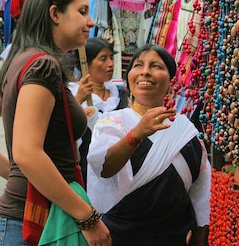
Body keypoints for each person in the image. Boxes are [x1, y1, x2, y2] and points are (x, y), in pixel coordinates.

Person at [0, 0, 111, 246]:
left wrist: (16, 174)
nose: (91, 22)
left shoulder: (20, 61)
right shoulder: (43, 66)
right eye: (82, 11)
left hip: (18, 219)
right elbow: (26, 152)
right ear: (55, 14)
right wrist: (87, 217)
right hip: (32, 222)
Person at [86, 44, 212, 245]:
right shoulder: (111, 122)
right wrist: (136, 134)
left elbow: (200, 191)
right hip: (118, 238)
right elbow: (103, 167)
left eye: (156, 66)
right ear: (128, 82)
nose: (145, 71)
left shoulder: (186, 132)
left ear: (171, 83)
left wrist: (198, 237)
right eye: (138, 65)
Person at [68, 37, 129, 184]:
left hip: (116, 167)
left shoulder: (119, 94)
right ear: (86, 65)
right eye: (103, 59)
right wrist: (78, 99)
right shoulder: (72, 93)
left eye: (111, 58)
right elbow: (63, 128)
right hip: (85, 170)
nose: (110, 64)